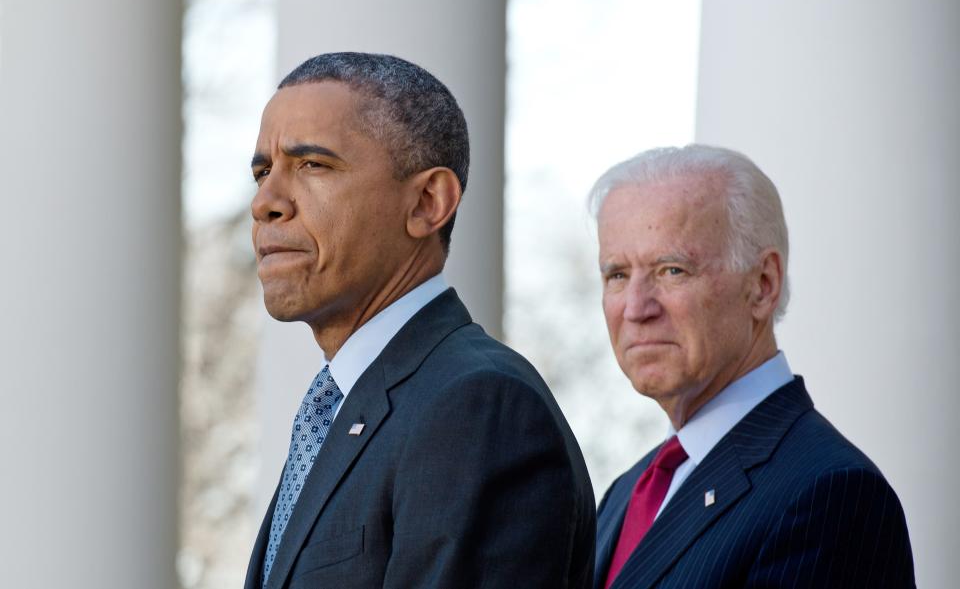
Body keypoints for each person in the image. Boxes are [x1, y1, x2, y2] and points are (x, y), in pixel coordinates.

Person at [243, 52, 595, 589]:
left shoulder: (477, 405)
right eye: (263, 171)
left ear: (428, 202)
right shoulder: (344, 407)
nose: (266, 201)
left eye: (312, 165)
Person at [590, 145, 914, 588]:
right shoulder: (629, 491)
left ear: (763, 285)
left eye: (672, 270)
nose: (636, 307)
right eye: (618, 275)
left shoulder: (830, 493)